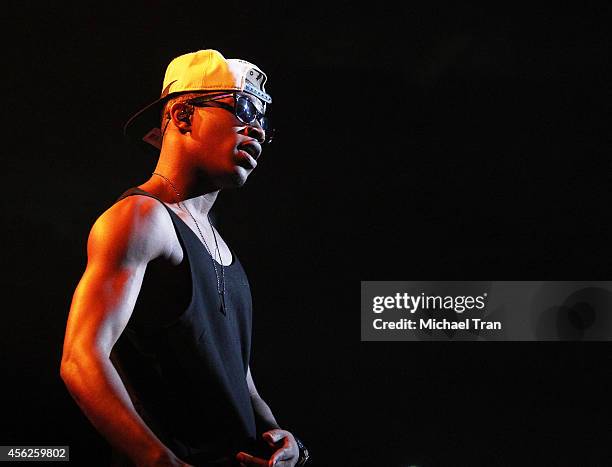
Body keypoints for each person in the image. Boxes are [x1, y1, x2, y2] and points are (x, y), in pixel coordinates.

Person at [60, 49, 309, 467]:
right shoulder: (141, 219)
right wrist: (160, 462)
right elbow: (80, 358)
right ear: (183, 116)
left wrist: (283, 441)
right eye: (243, 108)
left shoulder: (221, 248)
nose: (258, 131)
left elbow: (240, 382)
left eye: (263, 120)